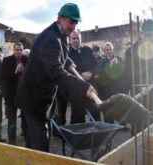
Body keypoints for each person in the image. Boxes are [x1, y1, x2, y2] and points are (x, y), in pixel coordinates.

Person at [15, 3, 97, 152]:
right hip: (33, 99)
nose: (73, 26)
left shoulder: (62, 35)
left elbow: (60, 56)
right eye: (71, 22)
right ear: (60, 18)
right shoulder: (50, 38)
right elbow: (55, 71)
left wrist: (69, 62)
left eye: (76, 22)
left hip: (42, 98)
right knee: (40, 145)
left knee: (37, 140)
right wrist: (83, 86)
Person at [125, 19, 153, 134]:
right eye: (147, 35)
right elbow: (129, 74)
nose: (150, 38)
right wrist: (136, 86)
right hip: (139, 93)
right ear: (141, 34)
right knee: (139, 127)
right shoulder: (132, 52)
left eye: (152, 35)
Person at [66, 31, 100, 124]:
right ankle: (81, 137)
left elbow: (96, 65)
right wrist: (80, 75)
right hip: (77, 91)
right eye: (74, 38)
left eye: (78, 38)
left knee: (95, 115)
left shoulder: (87, 50)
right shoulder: (67, 53)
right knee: (78, 119)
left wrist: (91, 73)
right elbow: (65, 70)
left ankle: (97, 135)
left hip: (91, 88)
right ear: (69, 40)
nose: (76, 40)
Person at [1, 42, 27, 145]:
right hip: (11, 95)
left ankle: (26, 137)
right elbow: (4, 77)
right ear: (13, 50)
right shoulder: (7, 60)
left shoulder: (27, 59)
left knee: (25, 119)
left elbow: (31, 76)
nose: (19, 52)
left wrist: (25, 72)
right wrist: (15, 72)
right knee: (11, 120)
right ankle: (12, 140)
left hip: (24, 94)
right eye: (17, 50)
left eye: (21, 50)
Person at [96, 42, 127, 124]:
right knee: (108, 110)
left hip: (118, 88)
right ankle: (110, 127)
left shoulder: (119, 59)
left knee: (120, 108)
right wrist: (109, 67)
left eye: (110, 49)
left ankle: (123, 125)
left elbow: (123, 71)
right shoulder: (100, 61)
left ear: (113, 50)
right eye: (107, 50)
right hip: (107, 90)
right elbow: (99, 74)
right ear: (103, 51)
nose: (109, 51)